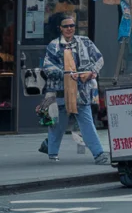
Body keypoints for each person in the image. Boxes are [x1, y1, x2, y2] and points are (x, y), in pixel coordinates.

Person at [41, 14, 108, 164]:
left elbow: (99, 59)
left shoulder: (85, 42)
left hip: (81, 91)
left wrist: (91, 72)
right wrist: (65, 74)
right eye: (66, 26)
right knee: (57, 124)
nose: (69, 28)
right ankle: (52, 154)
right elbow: (48, 66)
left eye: (72, 26)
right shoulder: (53, 45)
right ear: (60, 28)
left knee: (87, 123)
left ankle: (99, 154)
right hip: (60, 90)